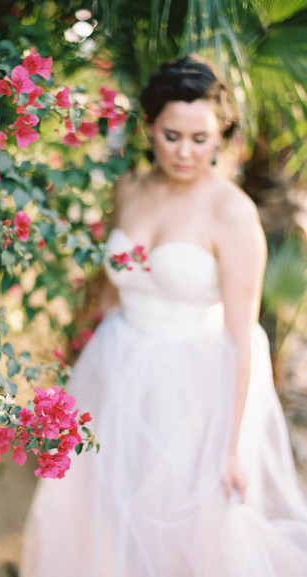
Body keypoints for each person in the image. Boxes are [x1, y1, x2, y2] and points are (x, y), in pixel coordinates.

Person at [21, 55, 307, 576]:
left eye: (201, 139)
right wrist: (73, 352)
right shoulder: (130, 187)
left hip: (194, 388)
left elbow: (243, 337)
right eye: (172, 136)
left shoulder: (233, 213)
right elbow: (111, 285)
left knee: (183, 528)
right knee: (102, 507)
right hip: (115, 365)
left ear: (221, 134)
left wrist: (231, 448)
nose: (185, 152)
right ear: (149, 126)